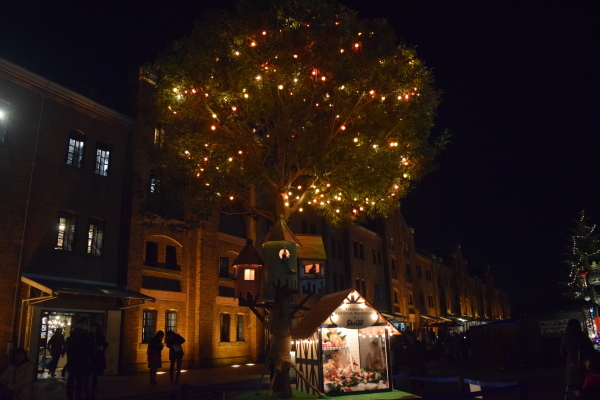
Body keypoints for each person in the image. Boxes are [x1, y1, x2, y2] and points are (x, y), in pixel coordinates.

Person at [559, 319, 595, 400]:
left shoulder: (566, 338)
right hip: (584, 366)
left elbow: (562, 353)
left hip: (571, 369)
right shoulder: (584, 338)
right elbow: (591, 351)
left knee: (573, 390)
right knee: (585, 388)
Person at [65, 317, 94, 400]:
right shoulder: (83, 335)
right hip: (80, 360)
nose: (85, 325)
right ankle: (77, 395)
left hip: (75, 360)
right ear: (80, 324)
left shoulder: (73, 336)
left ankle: (71, 395)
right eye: (84, 324)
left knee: (73, 379)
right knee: (78, 379)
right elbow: (86, 348)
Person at [87, 323, 108, 399]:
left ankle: (93, 392)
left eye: (95, 327)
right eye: (93, 327)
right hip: (90, 357)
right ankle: (87, 392)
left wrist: (102, 347)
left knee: (95, 376)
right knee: (87, 375)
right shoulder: (88, 336)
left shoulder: (100, 335)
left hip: (97, 358)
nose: (94, 329)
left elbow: (105, 343)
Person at [405, 329, 427, 396]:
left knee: (419, 378)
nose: (407, 338)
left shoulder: (417, 344)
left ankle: (420, 390)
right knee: (413, 380)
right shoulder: (409, 346)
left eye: (408, 336)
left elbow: (422, 354)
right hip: (412, 364)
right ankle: (415, 391)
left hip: (418, 364)